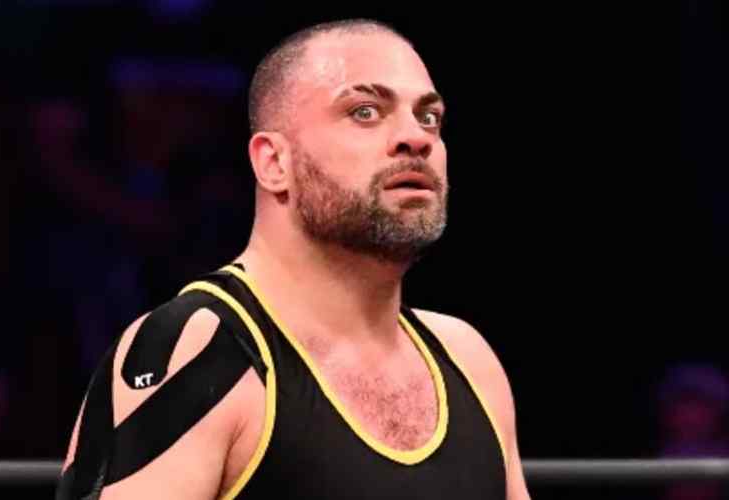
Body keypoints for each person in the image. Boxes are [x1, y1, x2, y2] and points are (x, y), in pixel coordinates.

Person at [57, 19, 531, 500]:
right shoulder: (197, 350)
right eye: (365, 111)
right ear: (274, 163)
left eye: (428, 117)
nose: (416, 137)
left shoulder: (467, 360)